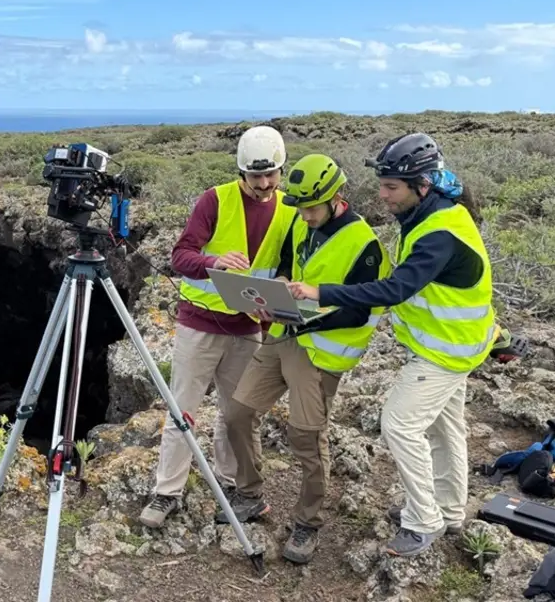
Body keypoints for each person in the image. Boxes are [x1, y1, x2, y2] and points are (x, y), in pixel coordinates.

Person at [286, 132, 496, 557]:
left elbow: (395, 288)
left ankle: (422, 523)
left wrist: (318, 293)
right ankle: (451, 510)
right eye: (382, 185)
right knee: (445, 426)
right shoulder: (434, 212)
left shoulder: (439, 231)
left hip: (446, 351)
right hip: (457, 343)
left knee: (399, 423)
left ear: (422, 184)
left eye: (391, 187)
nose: (382, 196)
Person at [214, 153, 391, 564]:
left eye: (312, 207)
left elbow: (362, 310)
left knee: (306, 436)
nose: (306, 215)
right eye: (301, 208)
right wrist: (272, 294)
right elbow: (288, 266)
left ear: (336, 198)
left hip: (319, 352)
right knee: (237, 413)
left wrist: (305, 316)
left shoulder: (364, 244)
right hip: (280, 335)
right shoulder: (299, 221)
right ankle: (250, 494)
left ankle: (308, 522)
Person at [139, 125, 296, 529]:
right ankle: (166, 491)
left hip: (247, 327)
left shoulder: (289, 212)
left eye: (271, 175)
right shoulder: (215, 199)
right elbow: (180, 256)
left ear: (281, 170)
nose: (263, 184)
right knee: (182, 411)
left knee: (236, 413)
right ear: (241, 171)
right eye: (255, 176)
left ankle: (230, 485)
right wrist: (214, 263)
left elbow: (287, 268)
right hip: (200, 324)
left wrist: (281, 286)